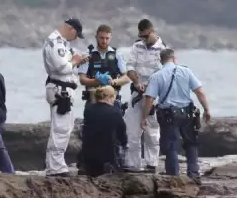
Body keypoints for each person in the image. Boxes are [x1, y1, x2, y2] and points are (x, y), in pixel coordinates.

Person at [141, 48, 211, 180]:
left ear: (161, 61)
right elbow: (199, 92)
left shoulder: (156, 76)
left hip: (168, 115)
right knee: (191, 143)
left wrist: (144, 117)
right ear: (174, 58)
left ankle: (173, 176)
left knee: (171, 145)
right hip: (188, 113)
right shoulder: (186, 71)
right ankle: (194, 174)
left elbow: (149, 99)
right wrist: (207, 110)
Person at [42, 17, 89, 177]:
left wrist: (78, 60)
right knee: (60, 129)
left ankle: (54, 164)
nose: (75, 39)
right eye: (76, 35)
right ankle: (55, 167)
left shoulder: (61, 42)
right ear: (72, 30)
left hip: (62, 89)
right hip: (60, 90)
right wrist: (75, 61)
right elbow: (62, 67)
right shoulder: (56, 42)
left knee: (63, 128)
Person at [125, 18, 167, 172]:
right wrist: (136, 81)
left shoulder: (163, 49)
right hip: (137, 92)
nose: (144, 39)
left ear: (152, 31)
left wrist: (151, 87)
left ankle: (151, 164)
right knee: (132, 129)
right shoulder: (137, 46)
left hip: (153, 95)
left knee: (152, 131)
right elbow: (129, 66)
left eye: (146, 36)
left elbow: (165, 73)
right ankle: (133, 164)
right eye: (141, 36)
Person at [78, 24, 131, 111]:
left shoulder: (117, 54)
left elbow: (127, 77)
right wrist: (97, 82)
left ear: (111, 38)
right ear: (96, 37)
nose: (104, 41)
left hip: (112, 99)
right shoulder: (87, 54)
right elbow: (82, 79)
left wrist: (113, 82)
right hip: (93, 99)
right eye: (102, 38)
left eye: (107, 38)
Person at [80, 85, 128, 177]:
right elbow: (122, 132)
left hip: (89, 151)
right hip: (107, 153)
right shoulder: (114, 112)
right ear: (109, 97)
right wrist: (124, 144)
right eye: (114, 97)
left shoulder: (88, 109)